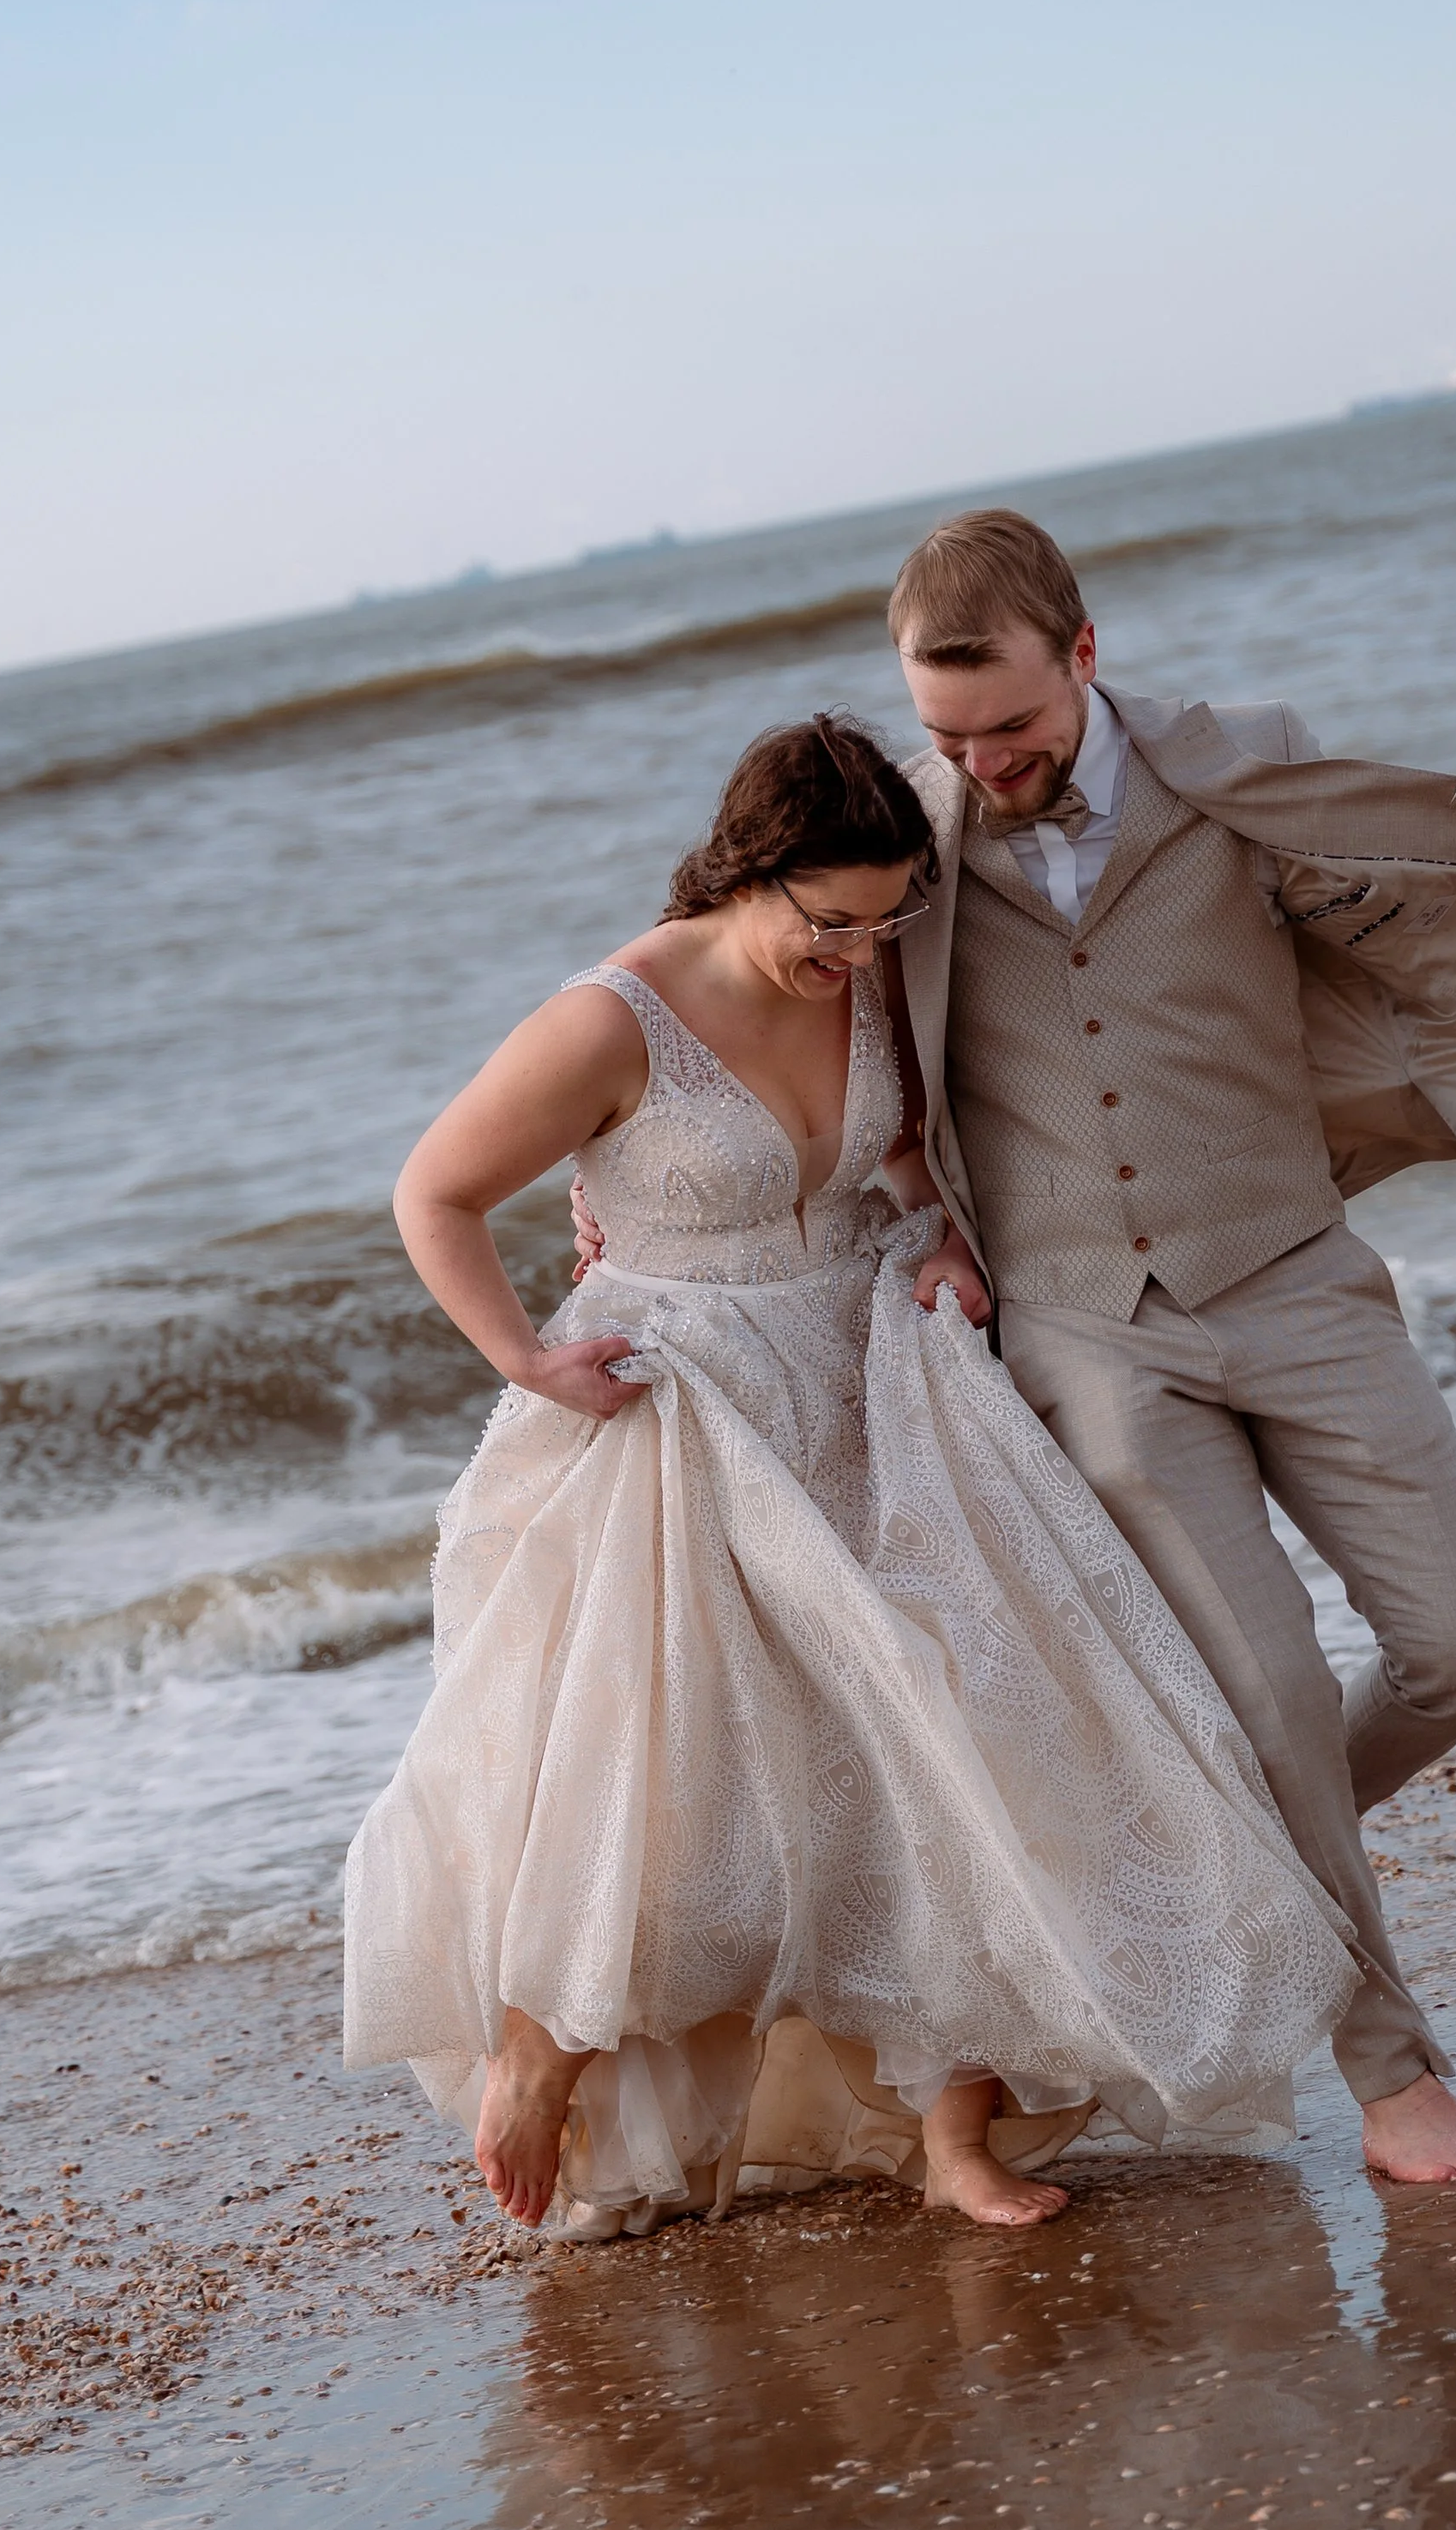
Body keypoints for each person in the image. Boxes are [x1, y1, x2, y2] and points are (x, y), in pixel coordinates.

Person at [581, 514, 1456, 2184]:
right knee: (1271, 1696)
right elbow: (752, 979)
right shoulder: (905, 844)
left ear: (1081, 657)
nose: (981, 767)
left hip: (1291, 1277)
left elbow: (1442, 939)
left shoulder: (1250, 774)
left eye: (1008, 729)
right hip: (1086, 1335)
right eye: (947, 739)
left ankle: (1200, 1865)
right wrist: (625, 1184)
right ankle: (1395, 2085)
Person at [344, 714, 1361, 2238]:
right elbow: (435, 1191)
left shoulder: (867, 960)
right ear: (750, 873)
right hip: (683, 1412)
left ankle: (953, 2129)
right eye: (833, 922)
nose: (861, 951)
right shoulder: (613, 1020)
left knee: (953, 1734)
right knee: (672, 1782)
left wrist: (933, 1222)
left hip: (875, 1378)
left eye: (888, 919)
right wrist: (526, 1358)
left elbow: (889, 1144)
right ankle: (541, 2057)